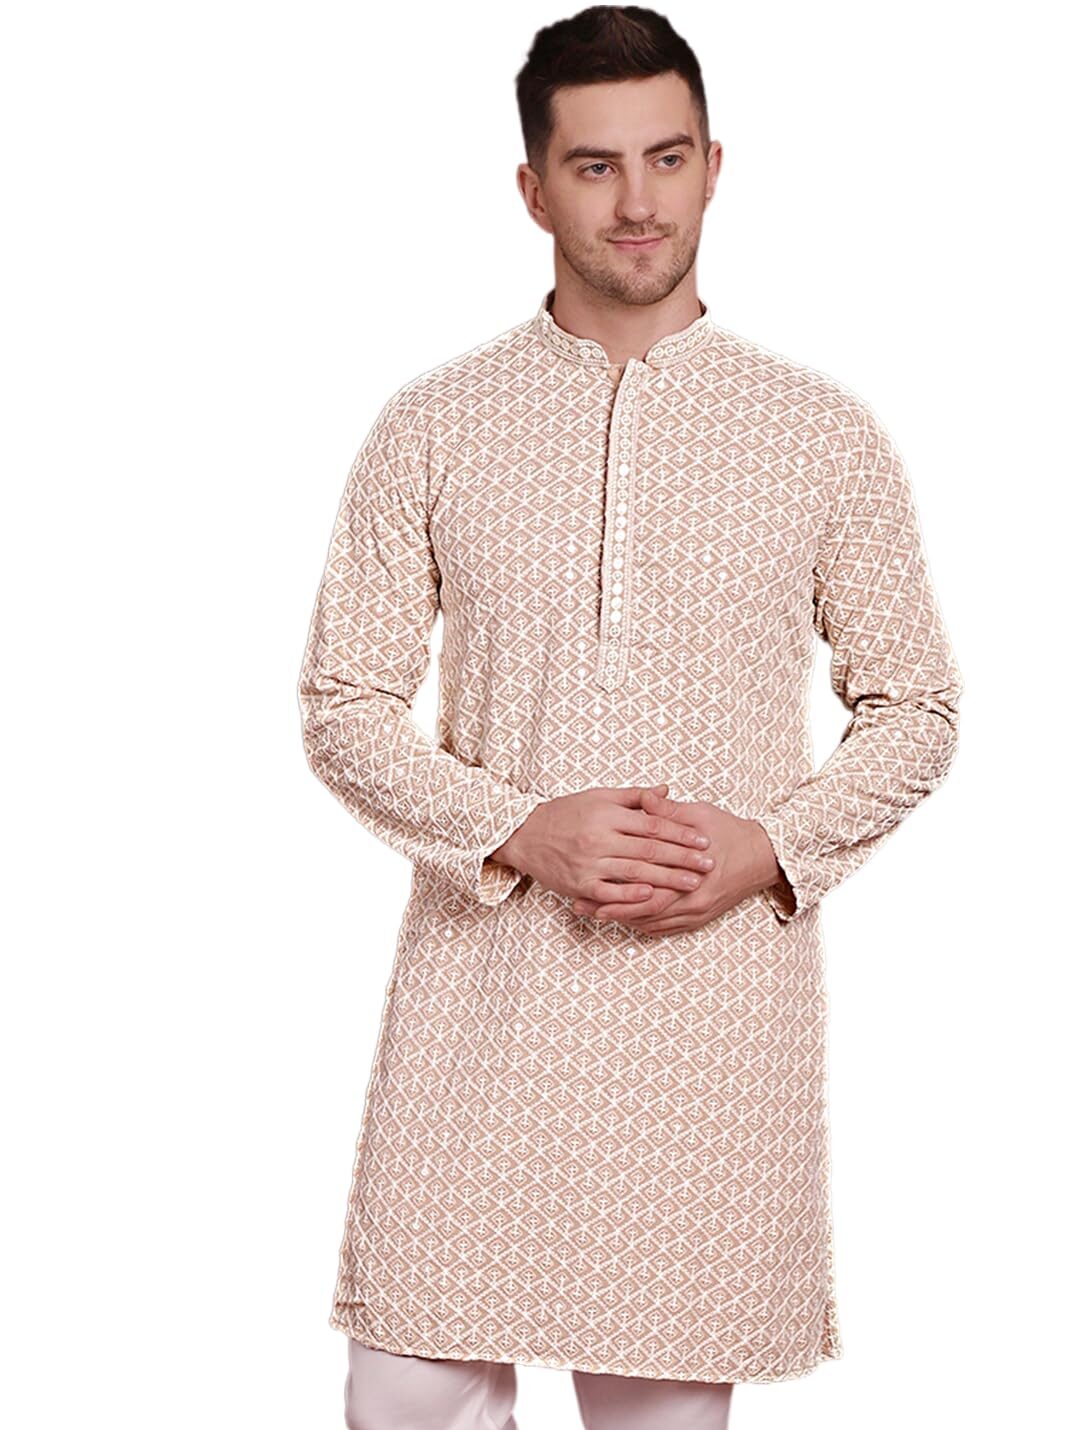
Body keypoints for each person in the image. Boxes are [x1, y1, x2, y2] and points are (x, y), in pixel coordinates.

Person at [297, 7, 963, 1428]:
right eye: (594, 167)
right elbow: (344, 703)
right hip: (481, 1007)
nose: (639, 200)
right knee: (402, 1390)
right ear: (533, 189)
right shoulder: (435, 424)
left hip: (707, 1020)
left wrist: (769, 848)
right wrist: (519, 829)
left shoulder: (821, 434)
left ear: (715, 166)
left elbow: (915, 706)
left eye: (666, 157)